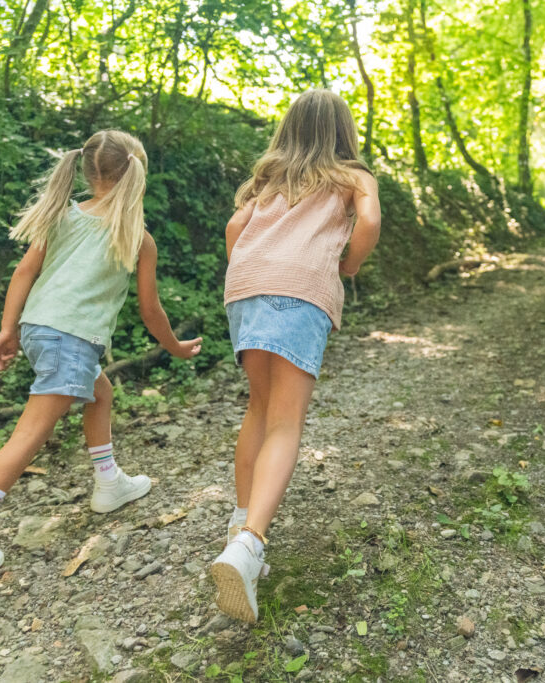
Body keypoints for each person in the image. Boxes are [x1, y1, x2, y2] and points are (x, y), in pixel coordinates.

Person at [0, 130, 202, 574]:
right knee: (30, 433)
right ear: (137, 176)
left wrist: (8, 328)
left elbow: (23, 273)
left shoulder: (62, 216)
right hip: (71, 339)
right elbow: (151, 310)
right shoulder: (136, 237)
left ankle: (108, 482)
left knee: (100, 392)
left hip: (40, 330)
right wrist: (176, 347)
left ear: (89, 173)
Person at [212, 89, 381, 623]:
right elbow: (369, 224)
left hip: (245, 288)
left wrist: (251, 270)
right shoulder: (352, 175)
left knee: (258, 409)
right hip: (301, 289)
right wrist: (349, 265)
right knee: (286, 423)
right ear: (342, 131)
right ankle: (250, 543)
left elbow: (233, 230)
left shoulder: (268, 177)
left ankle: (240, 525)